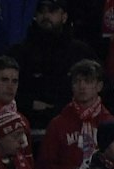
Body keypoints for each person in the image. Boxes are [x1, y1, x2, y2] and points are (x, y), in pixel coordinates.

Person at [8, 0, 93, 129]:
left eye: (52, 11)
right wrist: (30, 104)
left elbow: (98, 86)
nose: (46, 16)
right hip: (26, 125)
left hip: (74, 125)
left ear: (64, 16)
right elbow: (3, 89)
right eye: (41, 11)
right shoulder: (19, 52)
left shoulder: (80, 52)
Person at [37, 58, 114, 169]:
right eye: (77, 81)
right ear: (71, 86)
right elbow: (44, 168)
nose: (82, 86)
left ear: (99, 86)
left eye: (88, 81)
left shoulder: (113, 125)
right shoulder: (58, 124)